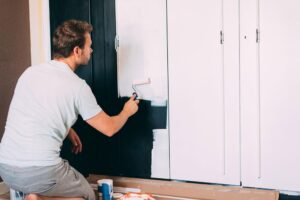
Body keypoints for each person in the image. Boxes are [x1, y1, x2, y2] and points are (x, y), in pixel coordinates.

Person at [0, 19, 139, 200]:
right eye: (89, 46)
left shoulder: (30, 73)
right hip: (41, 171)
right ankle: (36, 198)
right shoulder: (78, 87)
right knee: (87, 195)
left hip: (6, 168)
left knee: (47, 185)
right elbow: (109, 128)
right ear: (76, 50)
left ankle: (35, 195)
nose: (92, 50)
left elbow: (37, 112)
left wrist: (67, 129)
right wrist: (127, 110)